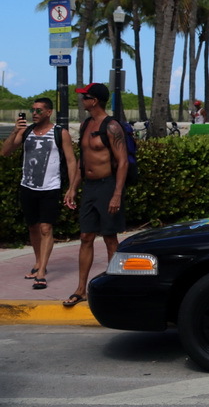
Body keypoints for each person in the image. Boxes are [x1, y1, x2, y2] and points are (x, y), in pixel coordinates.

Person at [63, 83, 129, 307]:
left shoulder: (112, 127)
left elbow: (122, 162)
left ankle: (116, 288)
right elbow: (83, 159)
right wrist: (73, 187)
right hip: (89, 187)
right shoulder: (85, 125)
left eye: (85, 97)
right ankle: (81, 289)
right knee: (85, 237)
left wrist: (117, 194)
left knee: (110, 238)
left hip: (108, 186)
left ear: (95, 101)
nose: (82, 101)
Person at [1, 98, 77, 290]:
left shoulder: (60, 133)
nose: (34, 113)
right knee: (33, 227)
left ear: (49, 112)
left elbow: (71, 161)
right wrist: (15, 131)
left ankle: (42, 271)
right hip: (27, 187)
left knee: (45, 228)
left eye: (39, 110)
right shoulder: (26, 131)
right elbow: (5, 152)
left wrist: (72, 188)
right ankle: (37, 262)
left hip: (50, 188)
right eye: (32, 110)